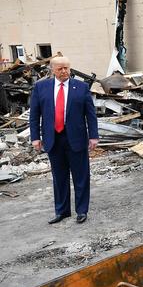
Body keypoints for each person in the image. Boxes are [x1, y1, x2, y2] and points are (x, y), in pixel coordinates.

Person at [29, 56, 99, 224]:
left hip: (76, 138)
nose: (64, 71)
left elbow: (90, 114)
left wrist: (94, 136)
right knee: (59, 177)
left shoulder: (81, 87)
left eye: (66, 68)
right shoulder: (41, 87)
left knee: (81, 177)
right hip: (53, 139)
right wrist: (35, 137)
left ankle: (81, 211)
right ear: (52, 70)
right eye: (60, 69)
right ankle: (62, 211)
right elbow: (34, 115)